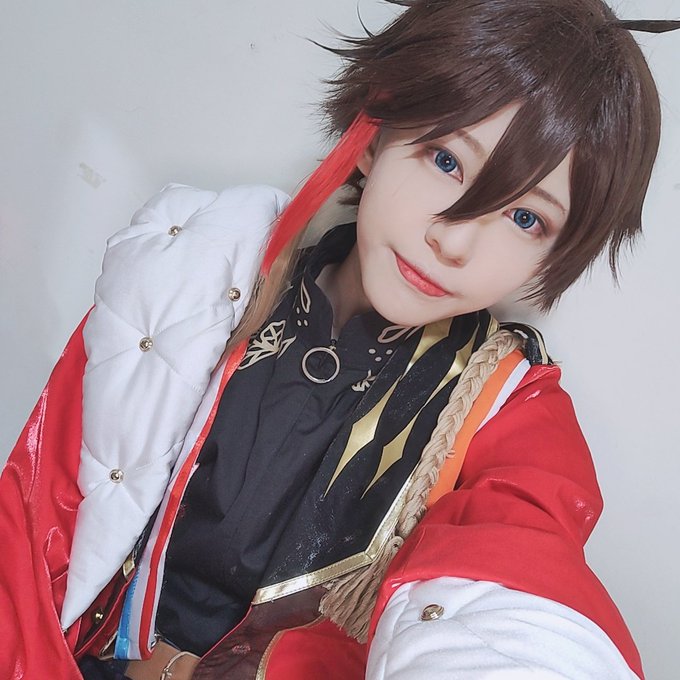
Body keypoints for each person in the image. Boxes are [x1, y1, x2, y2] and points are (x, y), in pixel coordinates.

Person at [1, 1, 678, 678]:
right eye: (446, 159)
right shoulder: (193, 274)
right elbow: (29, 535)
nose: (455, 241)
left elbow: (517, 614)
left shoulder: (512, 415)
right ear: (376, 132)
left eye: (526, 218)